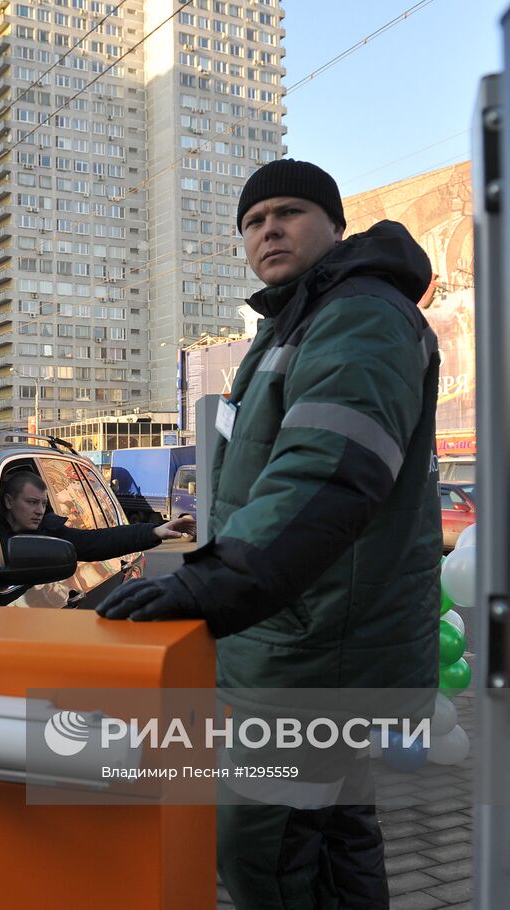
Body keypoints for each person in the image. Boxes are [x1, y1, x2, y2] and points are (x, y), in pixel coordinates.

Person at [96, 159, 442, 909]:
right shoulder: (301, 319)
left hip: (311, 654)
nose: (268, 230)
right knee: (332, 841)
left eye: (288, 212)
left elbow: (325, 476)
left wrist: (204, 586)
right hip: (311, 640)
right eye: (253, 222)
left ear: (336, 226)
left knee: (262, 850)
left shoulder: (357, 316)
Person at [0, 471, 195, 562]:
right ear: (8, 502)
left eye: (43, 504)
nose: (40, 510)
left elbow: (97, 541)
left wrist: (153, 531)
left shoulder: (52, 533)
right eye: (31, 503)